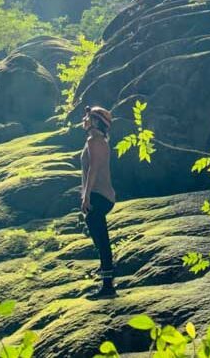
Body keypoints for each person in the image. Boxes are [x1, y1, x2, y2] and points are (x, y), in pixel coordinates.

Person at [81, 104, 117, 298]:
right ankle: (108, 269)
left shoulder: (95, 140)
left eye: (87, 117)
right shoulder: (97, 140)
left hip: (99, 195)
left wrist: (86, 195)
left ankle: (108, 283)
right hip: (100, 194)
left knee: (101, 238)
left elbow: (93, 169)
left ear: (95, 121)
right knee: (96, 232)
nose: (83, 120)